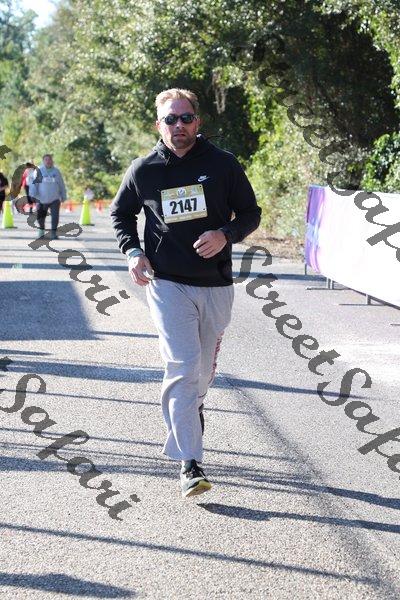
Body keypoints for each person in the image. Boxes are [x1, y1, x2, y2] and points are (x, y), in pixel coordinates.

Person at [110, 88, 261, 498]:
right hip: (167, 283)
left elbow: (250, 213)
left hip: (215, 284)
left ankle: (193, 409)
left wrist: (225, 234)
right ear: (158, 125)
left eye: (186, 118)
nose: (179, 126)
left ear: (198, 122)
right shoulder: (143, 170)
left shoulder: (223, 164)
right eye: (170, 119)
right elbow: (121, 214)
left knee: (201, 375)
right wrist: (133, 252)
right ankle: (190, 463)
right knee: (182, 366)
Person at [30, 154, 67, 239]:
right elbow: (34, 184)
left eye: (49, 159)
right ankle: (41, 230)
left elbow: (61, 184)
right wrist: (32, 194)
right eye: (46, 160)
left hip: (55, 198)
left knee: (55, 217)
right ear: (43, 161)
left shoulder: (56, 171)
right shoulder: (39, 171)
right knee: (40, 217)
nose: (48, 161)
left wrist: (63, 196)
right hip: (41, 199)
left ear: (52, 161)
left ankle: (53, 233)